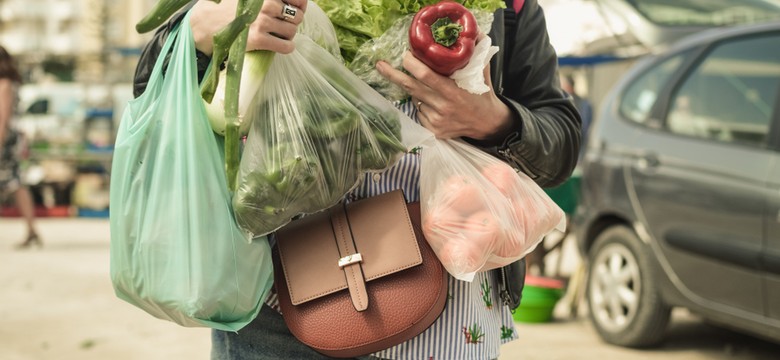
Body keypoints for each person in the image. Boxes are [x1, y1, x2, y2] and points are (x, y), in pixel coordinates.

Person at [133, 0, 581, 358]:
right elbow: (150, 86)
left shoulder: (510, 8)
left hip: (447, 312)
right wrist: (200, 29)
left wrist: (494, 121)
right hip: (280, 308)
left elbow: (561, 139)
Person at [0, 45, 42, 250]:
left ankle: (32, 230)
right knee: (16, 183)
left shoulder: (5, 84)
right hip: (11, 138)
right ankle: (32, 230)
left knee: (16, 183)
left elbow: (3, 117)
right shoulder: (11, 82)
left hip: (5, 139)